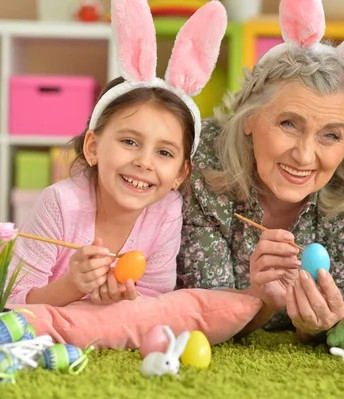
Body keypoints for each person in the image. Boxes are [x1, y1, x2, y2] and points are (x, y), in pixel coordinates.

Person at [176, 0, 344, 341]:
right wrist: (259, 300)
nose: (305, 155)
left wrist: (315, 329)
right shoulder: (202, 157)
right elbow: (202, 310)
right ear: (249, 117)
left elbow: (343, 298)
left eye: (331, 135)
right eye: (289, 124)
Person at [7, 0, 227, 307]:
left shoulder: (166, 212)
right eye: (130, 142)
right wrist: (72, 286)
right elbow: (13, 301)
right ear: (93, 147)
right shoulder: (60, 204)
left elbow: (154, 299)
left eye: (164, 152)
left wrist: (124, 298)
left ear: (180, 173)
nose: (144, 162)